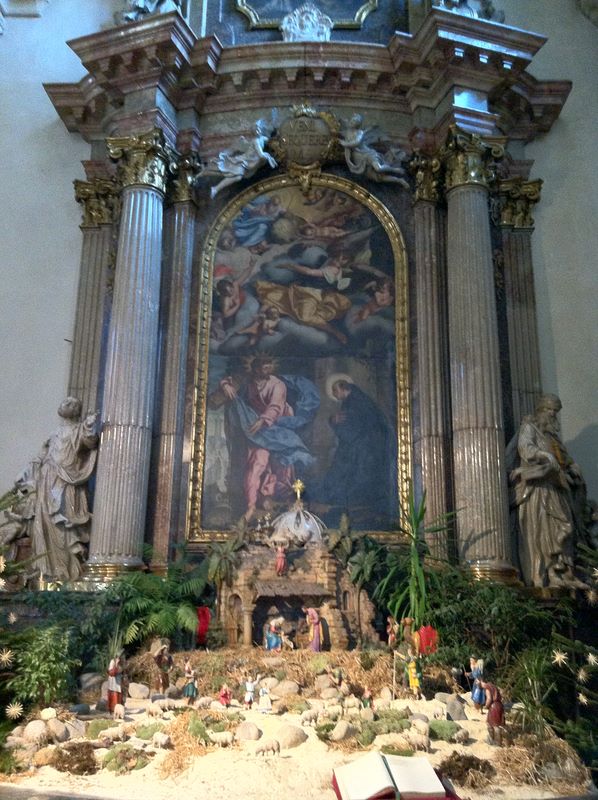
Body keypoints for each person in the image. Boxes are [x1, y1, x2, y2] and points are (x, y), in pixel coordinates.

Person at [212, 354, 318, 521]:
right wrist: (226, 385)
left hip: (277, 428)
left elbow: (276, 406)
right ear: (255, 369)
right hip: (257, 432)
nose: (268, 370)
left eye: (270, 367)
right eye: (264, 367)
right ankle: (251, 506)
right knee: (257, 464)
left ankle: (281, 503)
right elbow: (227, 382)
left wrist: (263, 420)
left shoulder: (277, 384)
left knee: (283, 467)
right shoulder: (248, 382)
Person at [511, 393, 589, 588]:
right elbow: (525, 448)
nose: (552, 414)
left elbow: (563, 459)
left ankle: (561, 572)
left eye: (555, 411)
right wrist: (543, 454)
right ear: (540, 410)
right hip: (538, 489)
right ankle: (547, 573)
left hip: (557, 488)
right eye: (549, 410)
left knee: (565, 528)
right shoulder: (529, 428)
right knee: (544, 532)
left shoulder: (553, 437)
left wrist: (572, 466)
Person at [29, 397, 98, 582]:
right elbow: (41, 456)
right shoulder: (55, 433)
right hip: (47, 481)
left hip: (67, 483)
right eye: (66, 402)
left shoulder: (79, 430)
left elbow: (90, 442)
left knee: (63, 522)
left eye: (72, 403)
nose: (66, 404)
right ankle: (46, 569)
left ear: (77, 410)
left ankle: (67, 570)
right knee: (44, 522)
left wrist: (89, 425)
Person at [312, 376, 396, 527]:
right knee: (341, 469)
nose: (334, 394)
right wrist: (334, 420)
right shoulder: (352, 401)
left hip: (364, 448)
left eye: (335, 390)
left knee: (350, 472)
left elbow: (354, 428)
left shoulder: (356, 402)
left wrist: (334, 422)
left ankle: (352, 504)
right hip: (358, 446)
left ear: (343, 388)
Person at [480, 680, 505, 745]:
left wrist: (486, 706)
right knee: (490, 723)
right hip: (498, 705)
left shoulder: (487, 687)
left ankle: (497, 742)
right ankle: (492, 739)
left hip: (494, 707)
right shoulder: (493, 686)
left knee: (495, 725)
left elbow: (489, 698)